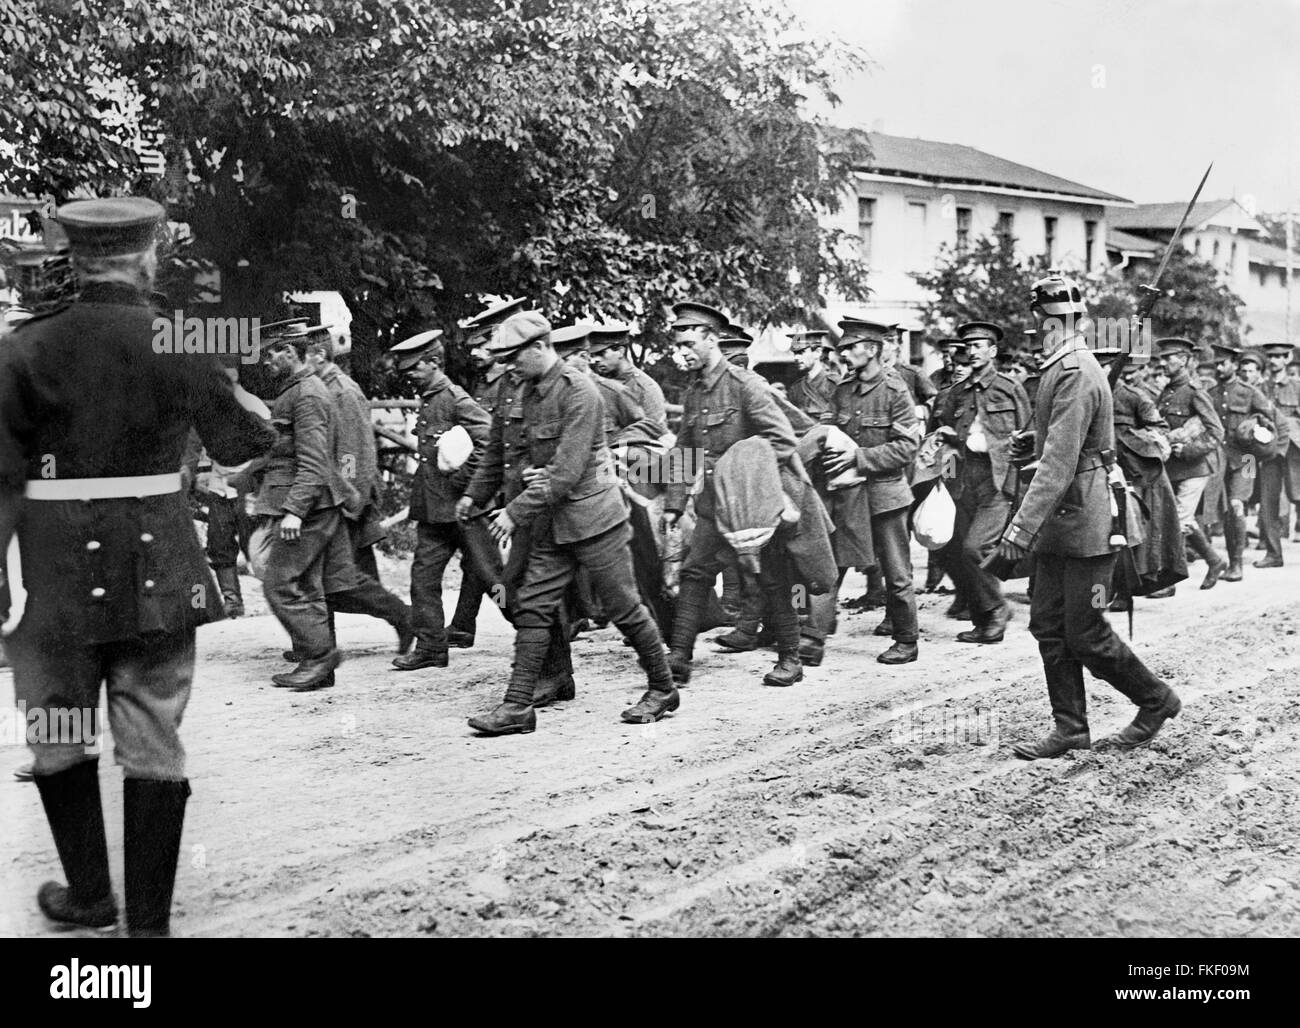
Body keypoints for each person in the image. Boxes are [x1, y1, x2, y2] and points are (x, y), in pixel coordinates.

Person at [0, 197, 275, 935]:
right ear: (147, 257)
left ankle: (90, 896)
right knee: (153, 732)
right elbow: (245, 439)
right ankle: (147, 926)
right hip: (158, 570)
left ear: (74, 259)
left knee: (58, 730)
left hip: (51, 581)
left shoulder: (22, 348)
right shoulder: (181, 339)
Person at [460, 312, 678, 732]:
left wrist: (512, 511)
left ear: (540, 347)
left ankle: (662, 687)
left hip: (595, 520)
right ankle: (517, 707)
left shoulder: (580, 392)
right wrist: (474, 495)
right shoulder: (518, 389)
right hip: (551, 522)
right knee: (533, 609)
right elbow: (498, 454)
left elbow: (567, 471)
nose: (507, 366)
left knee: (624, 608)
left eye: (514, 357)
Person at [997, 273, 1182, 759]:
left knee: (1086, 631)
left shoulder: (1076, 372)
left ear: (1048, 321)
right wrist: (1029, 443)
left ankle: (1155, 700)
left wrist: (1019, 530)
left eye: (1038, 322)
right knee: (1048, 624)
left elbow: (1061, 463)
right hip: (1066, 519)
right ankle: (1070, 729)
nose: (1036, 331)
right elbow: (1058, 442)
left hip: (1088, 519)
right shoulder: (1065, 368)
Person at [255, 327, 411, 690]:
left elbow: (321, 459)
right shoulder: (298, 390)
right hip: (319, 500)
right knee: (326, 584)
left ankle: (321, 655)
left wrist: (296, 509)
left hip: (313, 503)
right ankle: (322, 661)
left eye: (270, 354)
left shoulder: (309, 394)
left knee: (281, 584)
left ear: (290, 353)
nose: (264, 362)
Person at [662, 302, 805, 688]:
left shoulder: (746, 386)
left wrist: (744, 476)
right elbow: (682, 451)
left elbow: (783, 441)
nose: (683, 352)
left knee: (774, 578)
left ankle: (791, 657)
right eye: (679, 345)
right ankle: (679, 656)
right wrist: (674, 504)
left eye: (690, 343)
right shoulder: (694, 393)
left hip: (754, 506)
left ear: (712, 340)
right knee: (695, 572)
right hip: (713, 506)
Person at [812, 317, 921, 665]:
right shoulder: (842, 390)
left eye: (851, 347)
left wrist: (858, 457)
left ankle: (906, 640)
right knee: (831, 568)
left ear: (872, 349)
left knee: (897, 574)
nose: (844, 353)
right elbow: (827, 429)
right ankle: (813, 639)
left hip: (885, 497)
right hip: (847, 495)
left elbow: (906, 448)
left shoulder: (895, 390)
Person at [389, 330, 494, 670]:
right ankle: (432, 646)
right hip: (435, 512)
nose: (409, 376)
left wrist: (463, 483)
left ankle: (539, 641)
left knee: (495, 581)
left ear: (434, 364)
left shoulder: (455, 398)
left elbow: (489, 442)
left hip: (464, 510)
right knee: (423, 578)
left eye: (414, 369)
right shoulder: (429, 399)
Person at [931, 320, 1031, 643]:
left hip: (998, 478)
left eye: (977, 346)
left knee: (976, 547)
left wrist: (1023, 475)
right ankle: (982, 618)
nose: (971, 352)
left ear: (993, 350)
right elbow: (946, 430)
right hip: (963, 476)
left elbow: (1031, 432)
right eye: (967, 347)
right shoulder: (956, 393)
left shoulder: (1009, 387)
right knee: (956, 550)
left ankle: (997, 609)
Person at [1154, 337, 1228, 592]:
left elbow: (1216, 431)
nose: (1162, 362)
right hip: (1173, 469)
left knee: (1176, 522)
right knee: (1181, 520)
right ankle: (1215, 560)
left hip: (1194, 468)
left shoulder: (1195, 392)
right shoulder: (1168, 391)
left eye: (1168, 357)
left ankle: (1168, 581)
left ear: (1184, 360)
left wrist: (1188, 450)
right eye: (1161, 357)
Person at [1208, 343, 1274, 578]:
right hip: (1220, 458)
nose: (1218, 367)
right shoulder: (1212, 394)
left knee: (1237, 505)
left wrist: (1256, 424)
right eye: (1216, 363)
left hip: (1245, 458)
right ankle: (1231, 560)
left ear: (1234, 365)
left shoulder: (1249, 392)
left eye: (1223, 363)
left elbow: (1270, 419)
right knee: (1226, 511)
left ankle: (1237, 565)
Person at [1254, 343, 1299, 565]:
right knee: (1268, 501)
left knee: (1298, 496)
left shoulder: (1297, 387)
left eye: (1279, 356)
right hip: (1269, 450)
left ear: (1287, 359)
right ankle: (1273, 553)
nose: (1273, 361)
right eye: (1270, 356)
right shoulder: (1260, 388)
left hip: (1294, 450)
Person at [786, 329, 839, 420]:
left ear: (818, 352)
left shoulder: (835, 384)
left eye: (801, 352)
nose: (796, 357)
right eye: (795, 353)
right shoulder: (795, 389)